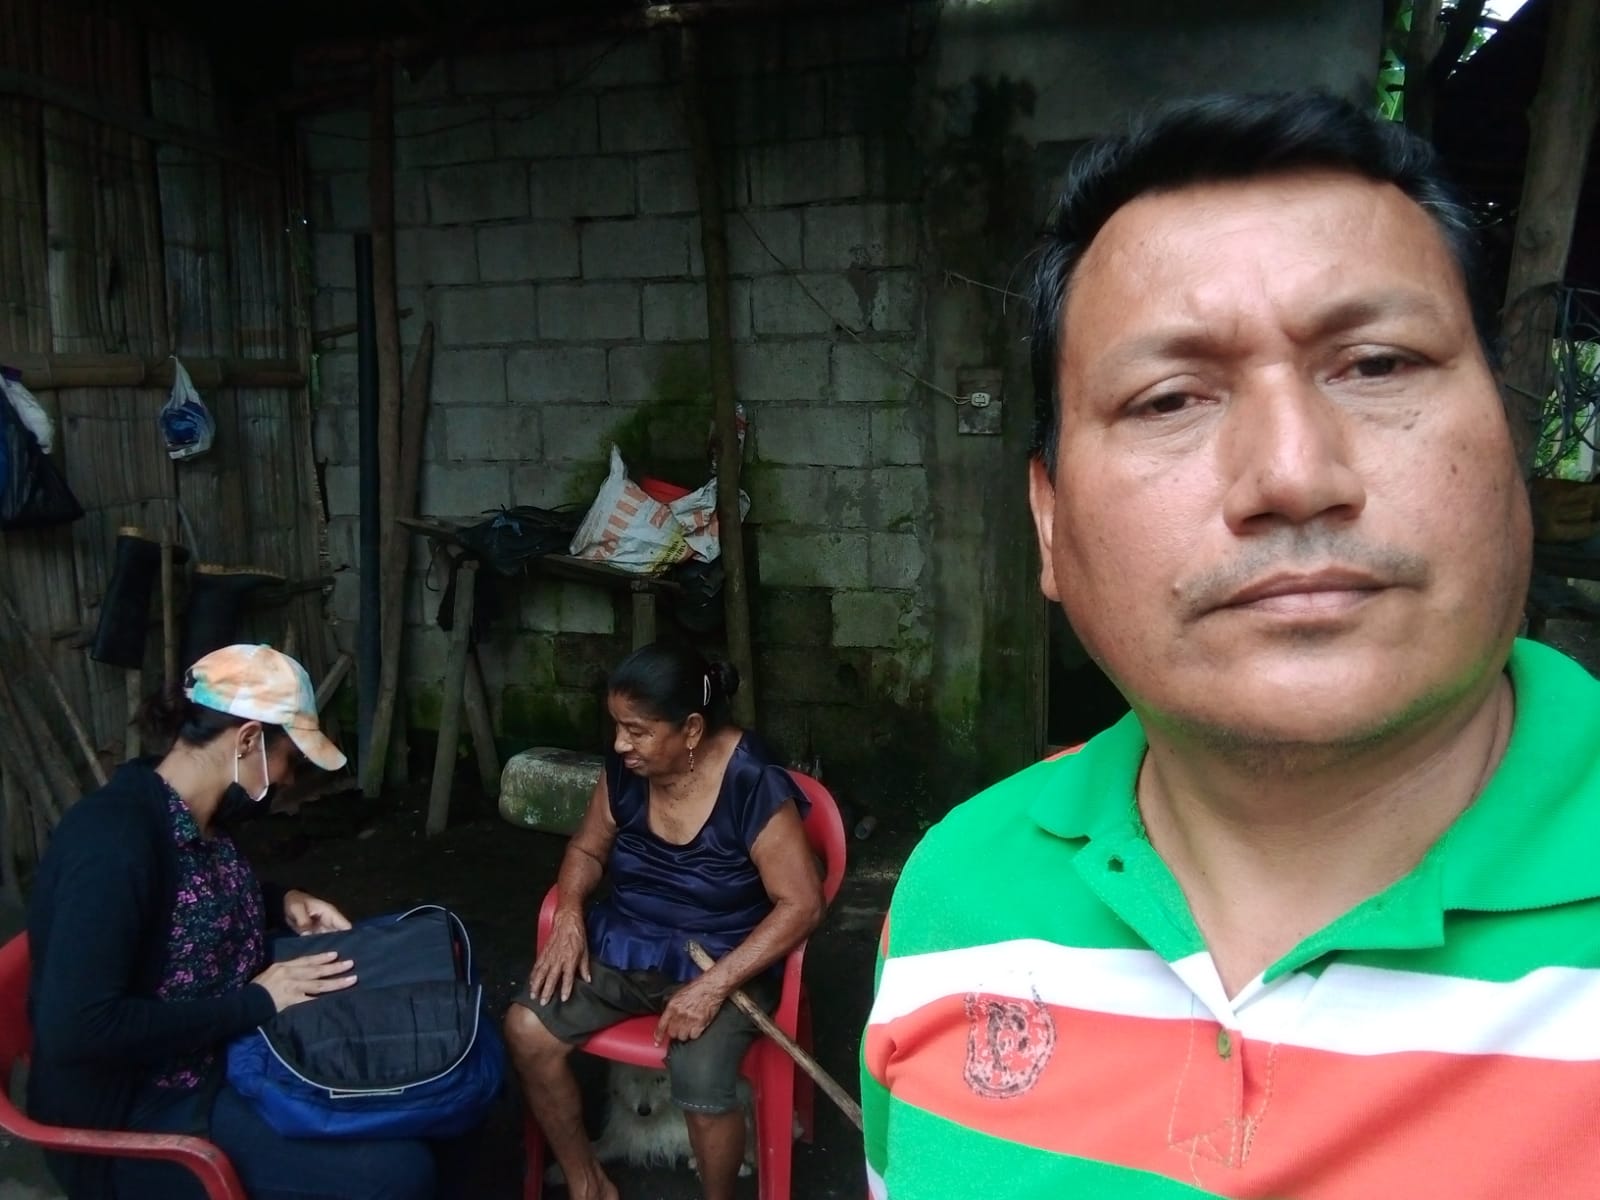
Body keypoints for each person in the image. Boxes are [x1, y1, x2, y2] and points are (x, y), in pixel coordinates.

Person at [862, 91, 1600, 1200]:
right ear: (1050, 523)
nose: (1293, 474)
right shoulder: (956, 898)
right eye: (1169, 398)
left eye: (1376, 365)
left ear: (1511, 445)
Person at [26, 644, 438, 1200]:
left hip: (226, 1050)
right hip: (140, 1108)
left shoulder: (193, 817)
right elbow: (80, 1029)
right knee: (396, 1174)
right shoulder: (111, 844)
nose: (287, 779)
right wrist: (256, 1002)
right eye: (289, 759)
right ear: (247, 741)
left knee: (426, 1091)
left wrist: (281, 900)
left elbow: (184, 906)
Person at [505, 642, 825, 1200]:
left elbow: (802, 904)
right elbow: (586, 850)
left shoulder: (751, 782)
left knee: (701, 1083)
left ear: (692, 729)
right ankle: (587, 1182)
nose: (619, 744)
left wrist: (713, 986)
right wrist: (571, 916)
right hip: (626, 944)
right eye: (617, 726)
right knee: (526, 1030)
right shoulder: (625, 770)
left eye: (637, 730)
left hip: (725, 961)